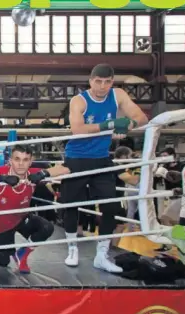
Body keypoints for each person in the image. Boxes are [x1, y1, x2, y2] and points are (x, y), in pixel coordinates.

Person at [62, 63, 148, 272]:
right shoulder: (79, 100)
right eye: (98, 81)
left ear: (112, 82)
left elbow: (142, 118)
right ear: (91, 81)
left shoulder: (118, 95)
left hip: (102, 159)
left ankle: (102, 255)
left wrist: (127, 125)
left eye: (107, 82)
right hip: (77, 158)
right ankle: (72, 248)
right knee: (70, 205)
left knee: (110, 206)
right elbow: (77, 129)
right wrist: (109, 125)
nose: (102, 86)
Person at [0, 145, 68, 272]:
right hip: (0, 225)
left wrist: (44, 173)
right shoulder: (2, 172)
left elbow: (66, 169)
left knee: (47, 228)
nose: (21, 164)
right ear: (10, 161)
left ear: (31, 162)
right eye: (17, 159)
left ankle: (22, 254)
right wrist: (1, 178)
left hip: (21, 218)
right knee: (4, 262)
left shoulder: (32, 174)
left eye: (25, 160)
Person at [111, 146, 141, 246]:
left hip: (110, 198)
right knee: (120, 225)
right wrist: (139, 168)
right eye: (129, 156)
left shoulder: (113, 164)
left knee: (113, 224)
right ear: (123, 156)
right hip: (115, 199)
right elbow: (134, 181)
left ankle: (110, 246)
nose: (130, 158)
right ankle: (113, 247)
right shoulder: (117, 167)